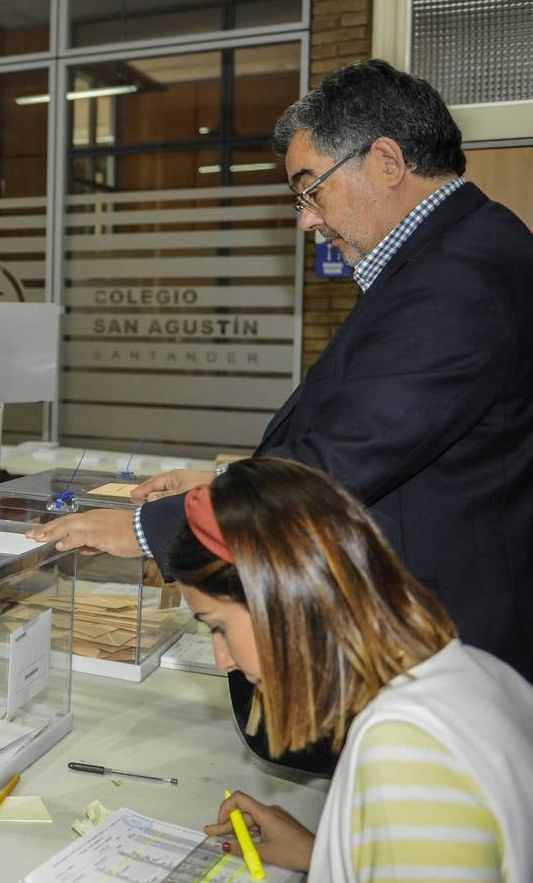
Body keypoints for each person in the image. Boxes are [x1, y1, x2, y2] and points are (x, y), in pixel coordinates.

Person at [27, 59, 533, 688]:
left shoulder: (457, 280)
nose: (307, 220)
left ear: (385, 161)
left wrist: (144, 527)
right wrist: (225, 483)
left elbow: (342, 462)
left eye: (311, 188)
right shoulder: (458, 255)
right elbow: (380, 437)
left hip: (437, 647)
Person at [169, 458, 533, 878]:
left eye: (218, 626)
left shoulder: (404, 747)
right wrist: (325, 854)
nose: (223, 659)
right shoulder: (479, 671)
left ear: (284, 602)